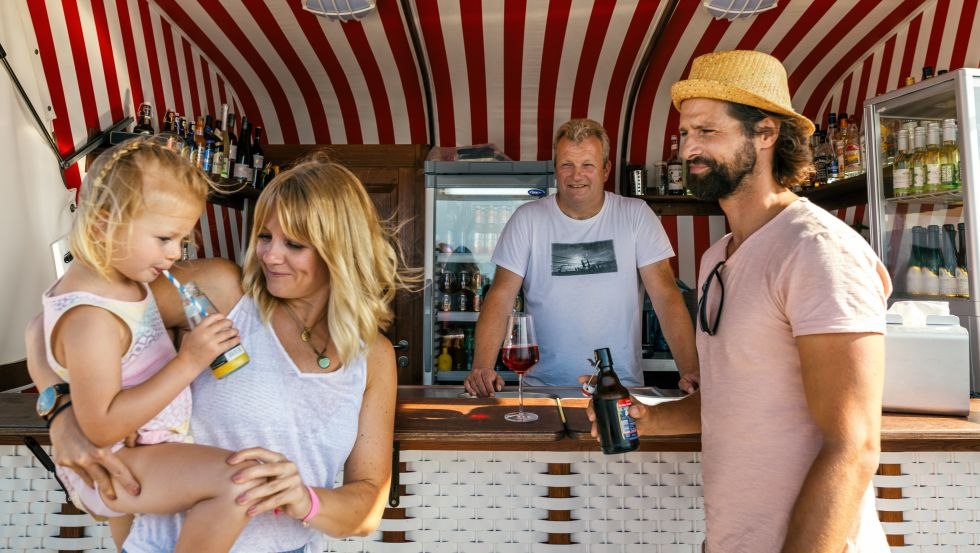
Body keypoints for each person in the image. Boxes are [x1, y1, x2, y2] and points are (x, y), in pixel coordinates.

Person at [27, 151, 413, 552]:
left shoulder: (373, 357)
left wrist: (305, 499)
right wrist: (62, 415)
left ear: (340, 251)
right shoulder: (223, 293)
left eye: (294, 244)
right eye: (264, 236)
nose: (270, 255)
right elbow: (54, 323)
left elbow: (368, 505)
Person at [586, 50, 891, 552]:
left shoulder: (818, 250)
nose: (689, 148)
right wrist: (650, 418)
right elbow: (731, 398)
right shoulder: (718, 257)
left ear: (765, 133)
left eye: (708, 131)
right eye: (685, 134)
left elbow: (853, 446)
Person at [29, 136, 256, 552]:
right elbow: (101, 427)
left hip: (145, 449)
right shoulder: (93, 318)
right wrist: (189, 361)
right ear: (104, 223)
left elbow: (38, 330)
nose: (175, 254)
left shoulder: (123, 282)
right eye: (164, 238)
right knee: (240, 483)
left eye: (181, 241)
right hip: (118, 463)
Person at [464, 118, 699, 397]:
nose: (577, 175)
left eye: (588, 165)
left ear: (605, 169)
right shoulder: (528, 219)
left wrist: (691, 371)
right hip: (544, 391)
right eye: (567, 164)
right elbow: (500, 296)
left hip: (619, 389)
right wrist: (481, 367)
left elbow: (666, 296)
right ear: (555, 169)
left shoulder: (636, 215)